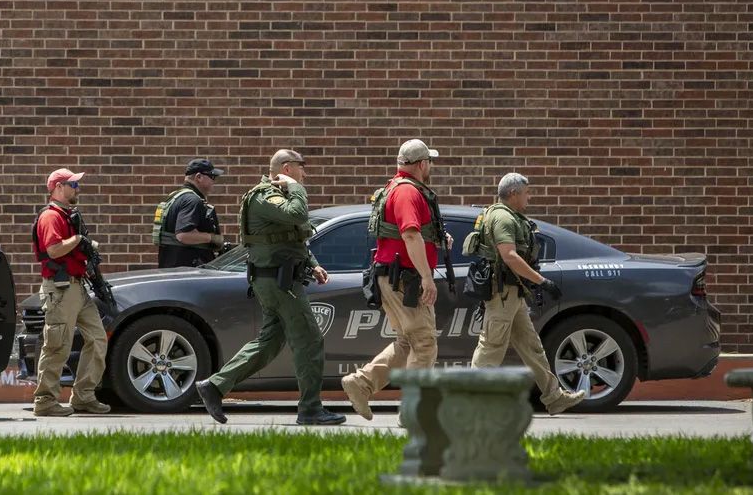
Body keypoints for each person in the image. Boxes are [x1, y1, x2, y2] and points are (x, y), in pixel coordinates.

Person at [195, 149, 344, 426]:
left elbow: (292, 237)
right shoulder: (265, 196)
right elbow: (297, 214)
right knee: (310, 340)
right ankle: (310, 409)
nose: (305, 174)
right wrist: (297, 189)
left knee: (270, 342)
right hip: (278, 281)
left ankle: (214, 386)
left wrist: (312, 264)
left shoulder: (279, 195)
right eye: (302, 168)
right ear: (287, 169)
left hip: (279, 278)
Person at [341, 139, 450, 421]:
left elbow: (413, 234)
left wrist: (436, 240)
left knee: (407, 343)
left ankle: (361, 383)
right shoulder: (407, 193)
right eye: (430, 162)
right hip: (406, 280)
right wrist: (427, 277)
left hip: (393, 276)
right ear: (422, 164)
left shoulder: (395, 188)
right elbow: (410, 234)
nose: (431, 168)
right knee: (424, 343)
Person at [468, 172, 586, 415]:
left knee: (531, 346)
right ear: (513, 193)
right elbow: (509, 255)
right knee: (490, 348)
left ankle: (554, 397)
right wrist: (542, 281)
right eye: (526, 192)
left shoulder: (506, 215)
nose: (529, 197)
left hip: (512, 294)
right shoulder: (502, 218)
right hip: (503, 294)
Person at [30, 168, 111, 417]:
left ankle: (84, 396)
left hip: (77, 287)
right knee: (57, 345)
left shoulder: (67, 215)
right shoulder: (51, 217)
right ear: (57, 187)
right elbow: (54, 250)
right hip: (61, 289)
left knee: (98, 338)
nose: (77, 189)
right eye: (72, 185)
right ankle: (45, 401)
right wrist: (78, 240)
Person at [154, 158, 226, 268]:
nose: (213, 181)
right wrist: (211, 238)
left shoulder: (176, 197)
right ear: (199, 177)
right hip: (189, 270)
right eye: (212, 176)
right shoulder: (192, 200)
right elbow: (184, 235)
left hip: (173, 267)